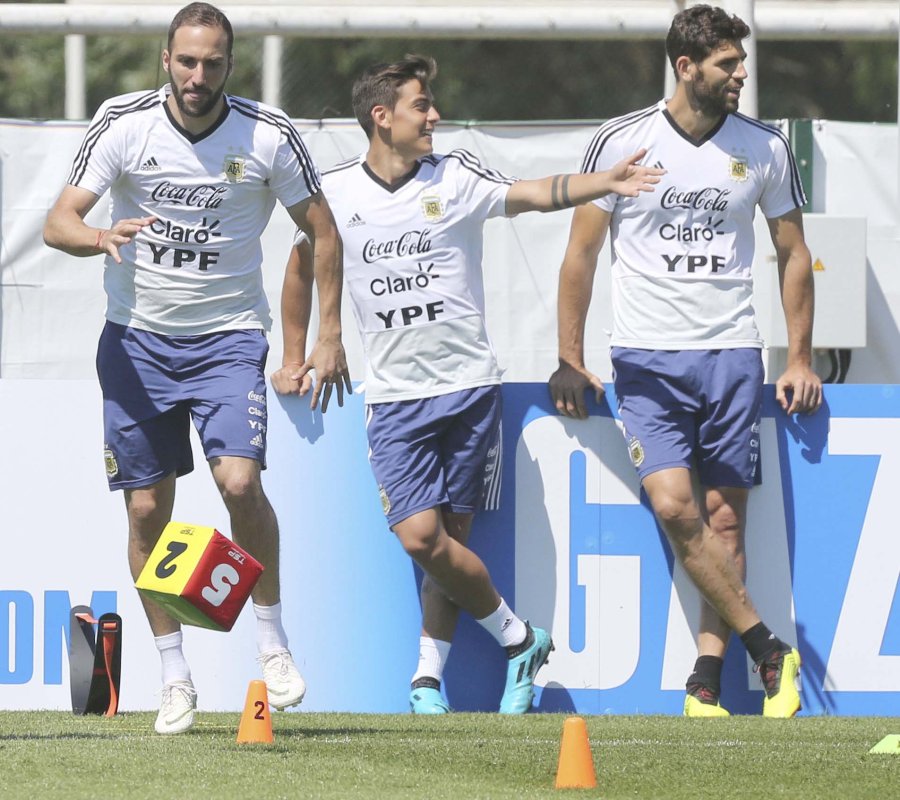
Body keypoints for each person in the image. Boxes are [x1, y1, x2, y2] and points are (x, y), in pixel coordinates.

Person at [273, 55, 663, 714]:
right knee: (420, 538)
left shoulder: (455, 175)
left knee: (450, 540)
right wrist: (298, 351)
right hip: (395, 398)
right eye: (422, 106)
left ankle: (427, 680)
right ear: (382, 117)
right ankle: (520, 639)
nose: (435, 117)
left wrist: (605, 181)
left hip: (468, 389)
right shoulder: (333, 193)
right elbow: (299, 269)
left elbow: (536, 192)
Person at [43, 2, 351, 734]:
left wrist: (328, 336)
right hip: (137, 343)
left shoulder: (268, 136)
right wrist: (96, 237)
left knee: (240, 482)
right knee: (148, 509)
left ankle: (272, 643)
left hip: (228, 341)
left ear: (229, 66)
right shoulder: (123, 123)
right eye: (187, 61)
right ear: (166, 59)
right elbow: (57, 223)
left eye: (212, 63)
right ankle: (174, 674)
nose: (198, 75)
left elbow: (323, 229)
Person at [549, 4, 822, 718]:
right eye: (728, 64)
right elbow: (578, 255)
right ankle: (769, 647)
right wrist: (568, 358)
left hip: (732, 354)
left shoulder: (763, 148)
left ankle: (706, 679)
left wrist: (799, 356)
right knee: (674, 505)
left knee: (724, 524)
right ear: (686, 67)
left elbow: (793, 253)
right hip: (645, 360)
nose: (741, 73)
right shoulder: (622, 141)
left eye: (740, 62)